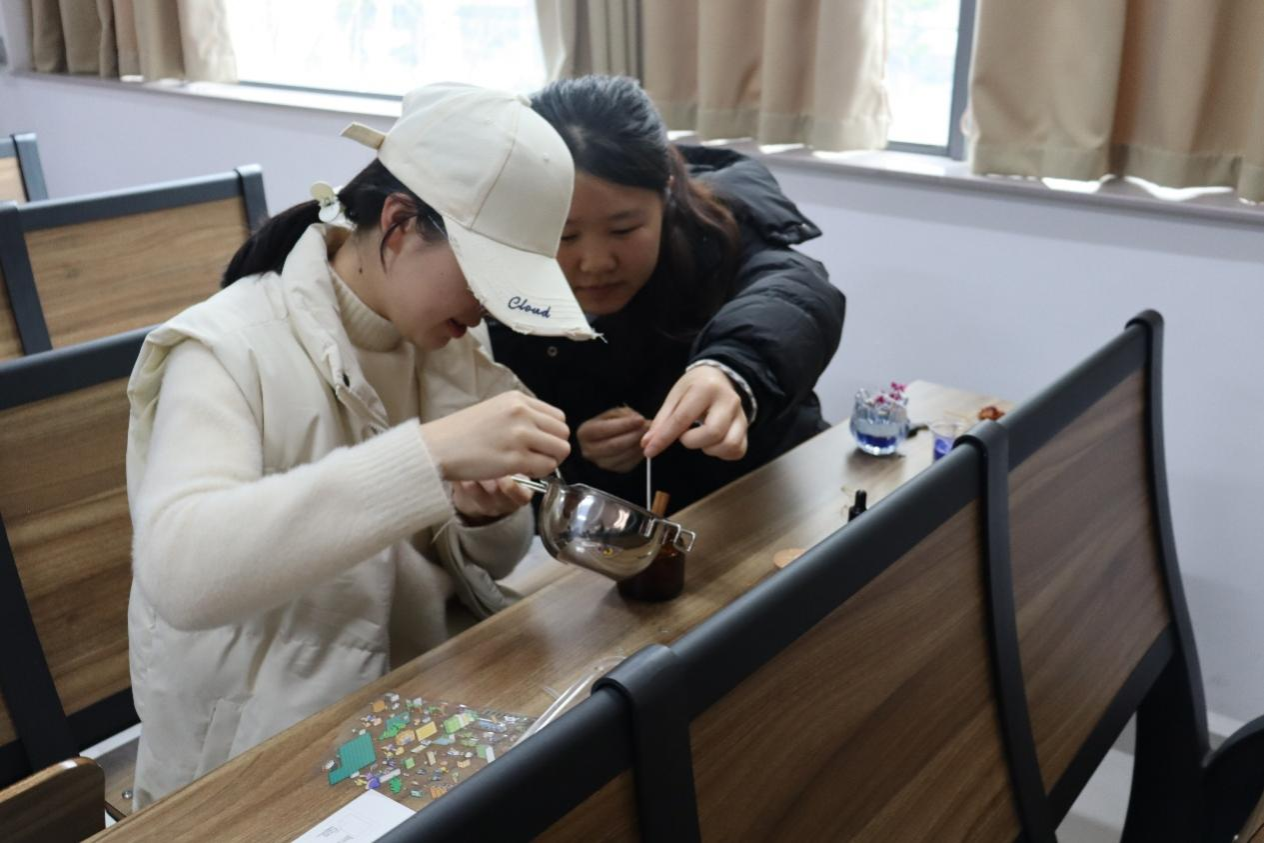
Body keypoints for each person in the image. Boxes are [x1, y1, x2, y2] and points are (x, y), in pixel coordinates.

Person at [124, 83, 596, 807]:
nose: (488, 310)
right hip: (263, 755)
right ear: (399, 224)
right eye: (483, 275)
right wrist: (427, 455)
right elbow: (182, 575)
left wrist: (480, 512)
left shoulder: (446, 340)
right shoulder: (225, 348)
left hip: (420, 705)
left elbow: (486, 565)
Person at [489, 75, 846, 512]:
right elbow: (516, 481)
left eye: (624, 229)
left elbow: (795, 290)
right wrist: (576, 453)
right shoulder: (498, 288)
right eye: (565, 236)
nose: (596, 262)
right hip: (628, 531)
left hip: (772, 494)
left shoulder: (716, 228)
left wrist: (730, 370)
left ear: (668, 192)